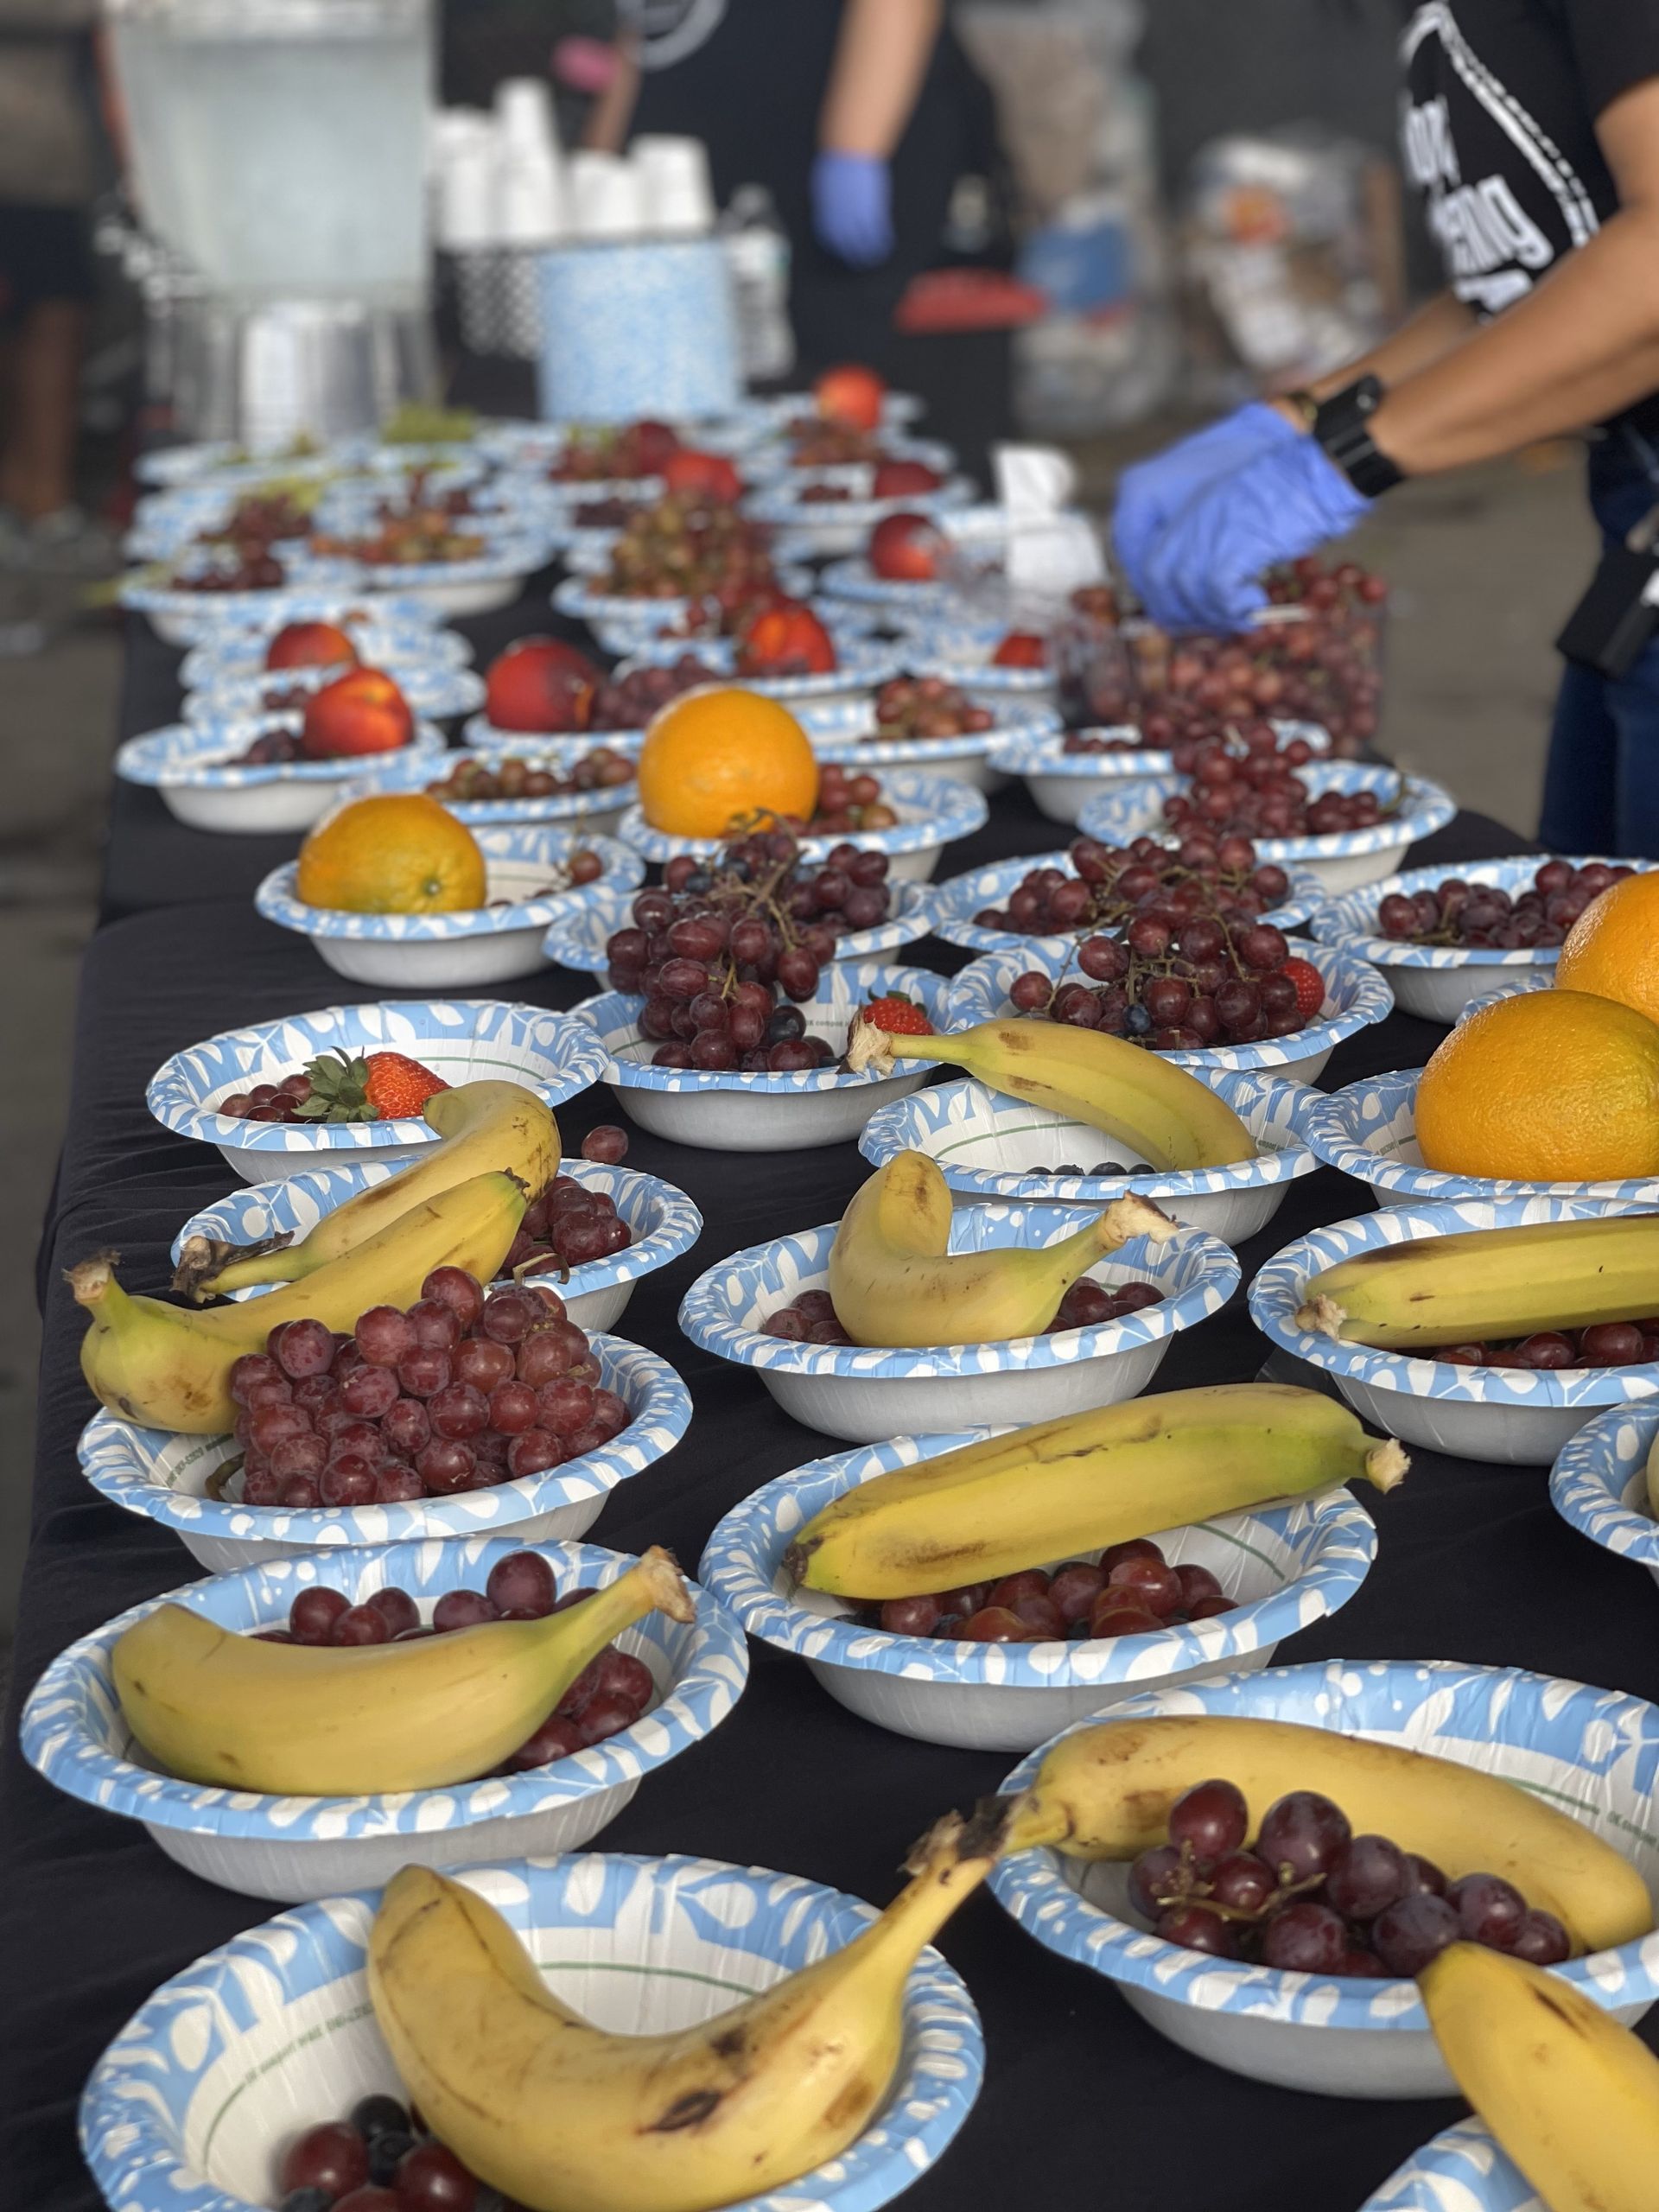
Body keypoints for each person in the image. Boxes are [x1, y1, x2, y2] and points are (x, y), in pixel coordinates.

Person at [1115, 1, 1659, 858]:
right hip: (1633, 534)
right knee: (1582, 937)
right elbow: (1537, 277)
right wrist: (1295, 419)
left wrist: (1339, 464)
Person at [596, 0, 985, 379]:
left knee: (831, 394)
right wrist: (599, 170)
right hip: (682, 202)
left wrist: (854, 150)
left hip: (808, 190)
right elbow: (641, 32)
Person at [0, 0, 100, 563]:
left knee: (55, 318)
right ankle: (35, 503)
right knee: (40, 324)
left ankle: (35, 497)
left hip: (44, 158)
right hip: (19, 157)